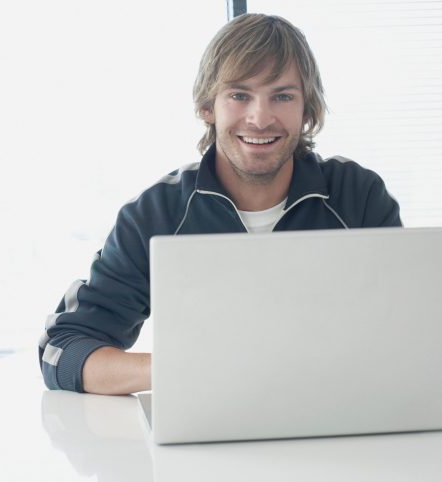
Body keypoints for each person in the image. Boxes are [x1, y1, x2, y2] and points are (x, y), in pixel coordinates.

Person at [39, 13, 402, 395]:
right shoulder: (155, 214)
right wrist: (182, 367)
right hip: (204, 437)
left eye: (282, 96)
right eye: (239, 95)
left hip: (341, 427)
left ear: (306, 109)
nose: (260, 118)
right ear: (208, 107)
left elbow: (410, 334)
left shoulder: (358, 197)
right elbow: (62, 350)